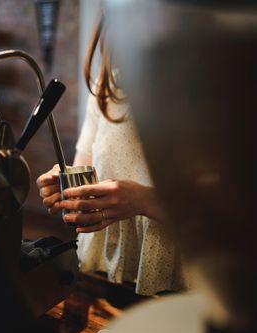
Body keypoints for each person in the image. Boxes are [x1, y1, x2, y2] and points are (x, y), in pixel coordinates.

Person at [37, 14, 185, 295]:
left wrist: (144, 200)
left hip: (179, 283)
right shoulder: (108, 88)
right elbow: (85, 173)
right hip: (103, 271)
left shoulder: (218, 94)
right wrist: (68, 186)